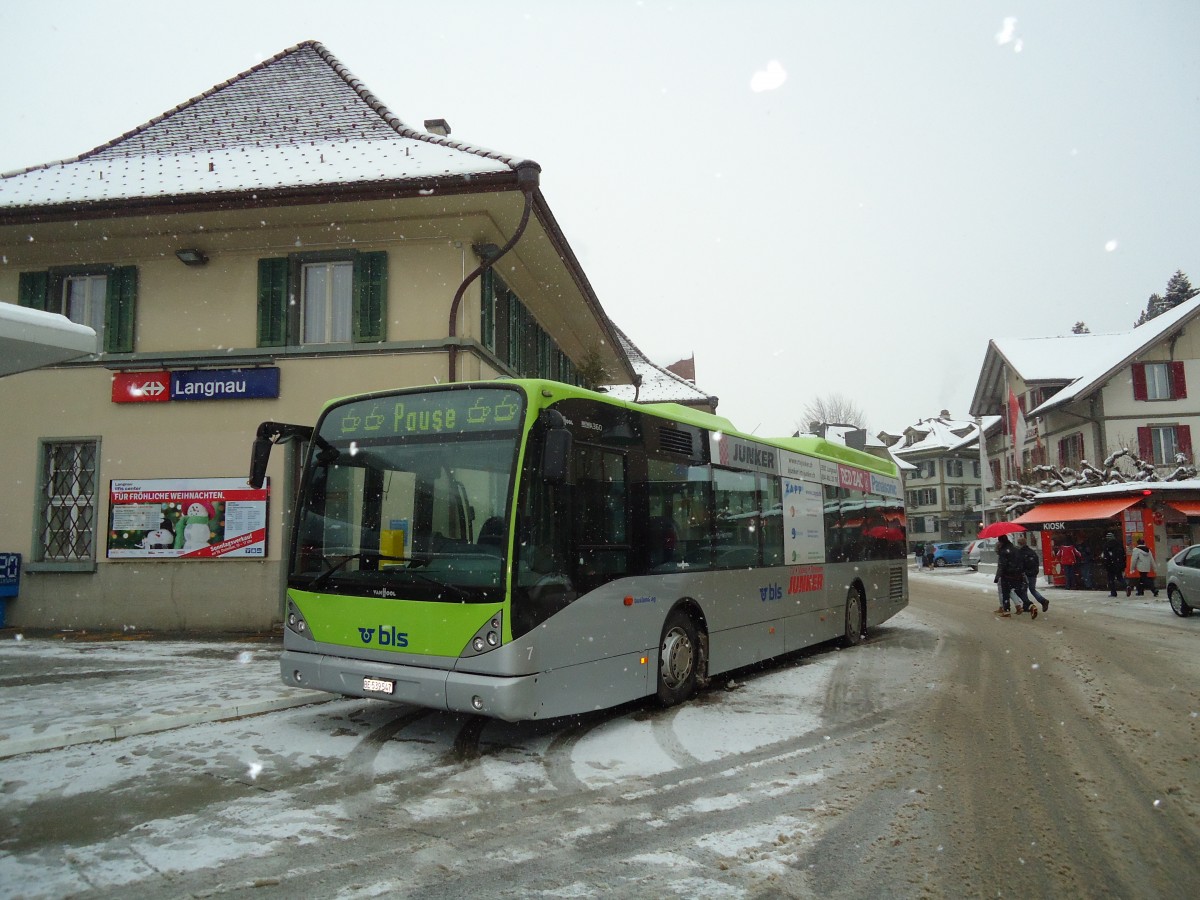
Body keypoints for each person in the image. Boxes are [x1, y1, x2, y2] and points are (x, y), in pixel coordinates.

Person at [995, 533, 1035, 618]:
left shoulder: (1003, 551)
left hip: (1007, 575)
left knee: (1005, 592)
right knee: (1019, 591)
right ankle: (1030, 605)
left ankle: (1006, 611)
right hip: (1017, 574)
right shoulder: (1016, 549)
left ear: (1001, 541)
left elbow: (1002, 565)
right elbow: (1022, 561)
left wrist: (998, 576)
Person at [1016, 536, 1050, 613]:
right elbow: (1036, 562)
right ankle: (1042, 600)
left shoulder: (1020, 553)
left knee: (1023, 590)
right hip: (1033, 573)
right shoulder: (1032, 552)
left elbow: (1019, 564)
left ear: (1020, 544)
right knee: (1032, 589)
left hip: (1025, 574)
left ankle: (1027, 604)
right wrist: (1035, 571)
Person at [1100, 532, 1127, 597]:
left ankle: (1113, 592)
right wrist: (1122, 563)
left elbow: (1105, 556)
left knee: (1111, 579)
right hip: (1118, 564)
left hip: (1110, 565)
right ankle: (1126, 585)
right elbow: (1123, 555)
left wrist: (1105, 563)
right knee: (1119, 577)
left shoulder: (1106, 545)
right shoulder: (1119, 544)